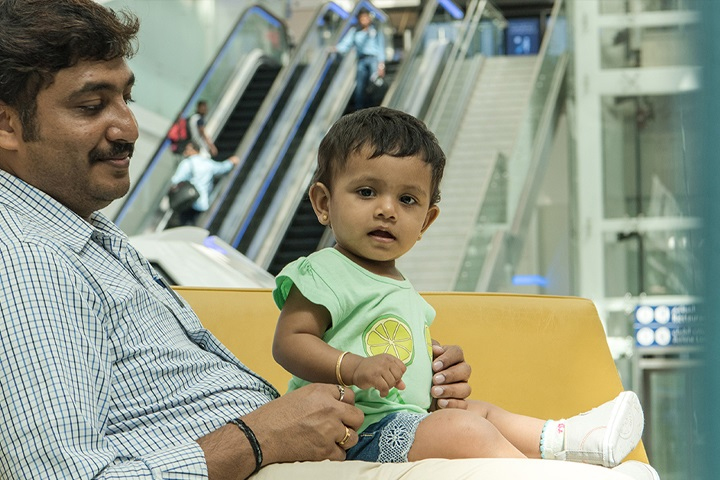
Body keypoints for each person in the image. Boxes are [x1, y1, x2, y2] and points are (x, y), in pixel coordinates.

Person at [0, 2, 473, 479]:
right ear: (6, 125)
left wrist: (413, 383)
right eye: (91, 106)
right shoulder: (27, 260)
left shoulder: (82, 234)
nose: (129, 128)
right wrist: (259, 437)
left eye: (126, 98)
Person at [271, 107, 660, 480]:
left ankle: (566, 441)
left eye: (407, 200)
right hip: (355, 430)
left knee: (480, 414)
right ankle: (547, 475)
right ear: (324, 203)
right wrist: (354, 367)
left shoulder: (403, 291)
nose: (387, 210)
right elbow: (289, 342)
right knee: (465, 430)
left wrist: (437, 375)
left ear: (426, 221)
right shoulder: (324, 270)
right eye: (367, 191)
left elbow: (401, 368)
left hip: (403, 419)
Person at [168, 140, 239, 226]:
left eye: (186, 150)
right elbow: (222, 168)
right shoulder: (207, 163)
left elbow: (175, 181)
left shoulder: (187, 163)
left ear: (193, 150)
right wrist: (231, 162)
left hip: (188, 203)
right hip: (203, 204)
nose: (184, 152)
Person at [335, 8, 386, 111]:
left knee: (374, 83)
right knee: (360, 85)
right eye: (362, 18)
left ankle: (375, 107)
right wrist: (336, 48)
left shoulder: (375, 30)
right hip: (362, 60)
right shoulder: (355, 31)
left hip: (373, 59)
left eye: (366, 17)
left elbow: (381, 47)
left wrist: (381, 65)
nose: (364, 20)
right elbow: (346, 44)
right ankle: (359, 109)